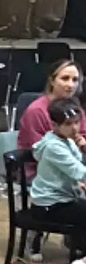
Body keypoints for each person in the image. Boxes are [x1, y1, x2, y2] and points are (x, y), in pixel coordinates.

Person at [30, 98, 86, 254]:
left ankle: (78, 246)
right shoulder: (54, 147)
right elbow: (80, 172)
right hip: (49, 205)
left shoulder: (67, 140)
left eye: (77, 122)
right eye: (68, 124)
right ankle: (79, 249)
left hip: (65, 198)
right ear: (54, 125)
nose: (75, 128)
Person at [17, 59, 86, 153]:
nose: (71, 85)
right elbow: (40, 150)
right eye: (65, 78)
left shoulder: (76, 108)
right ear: (52, 81)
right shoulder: (36, 111)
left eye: (75, 80)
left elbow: (83, 135)